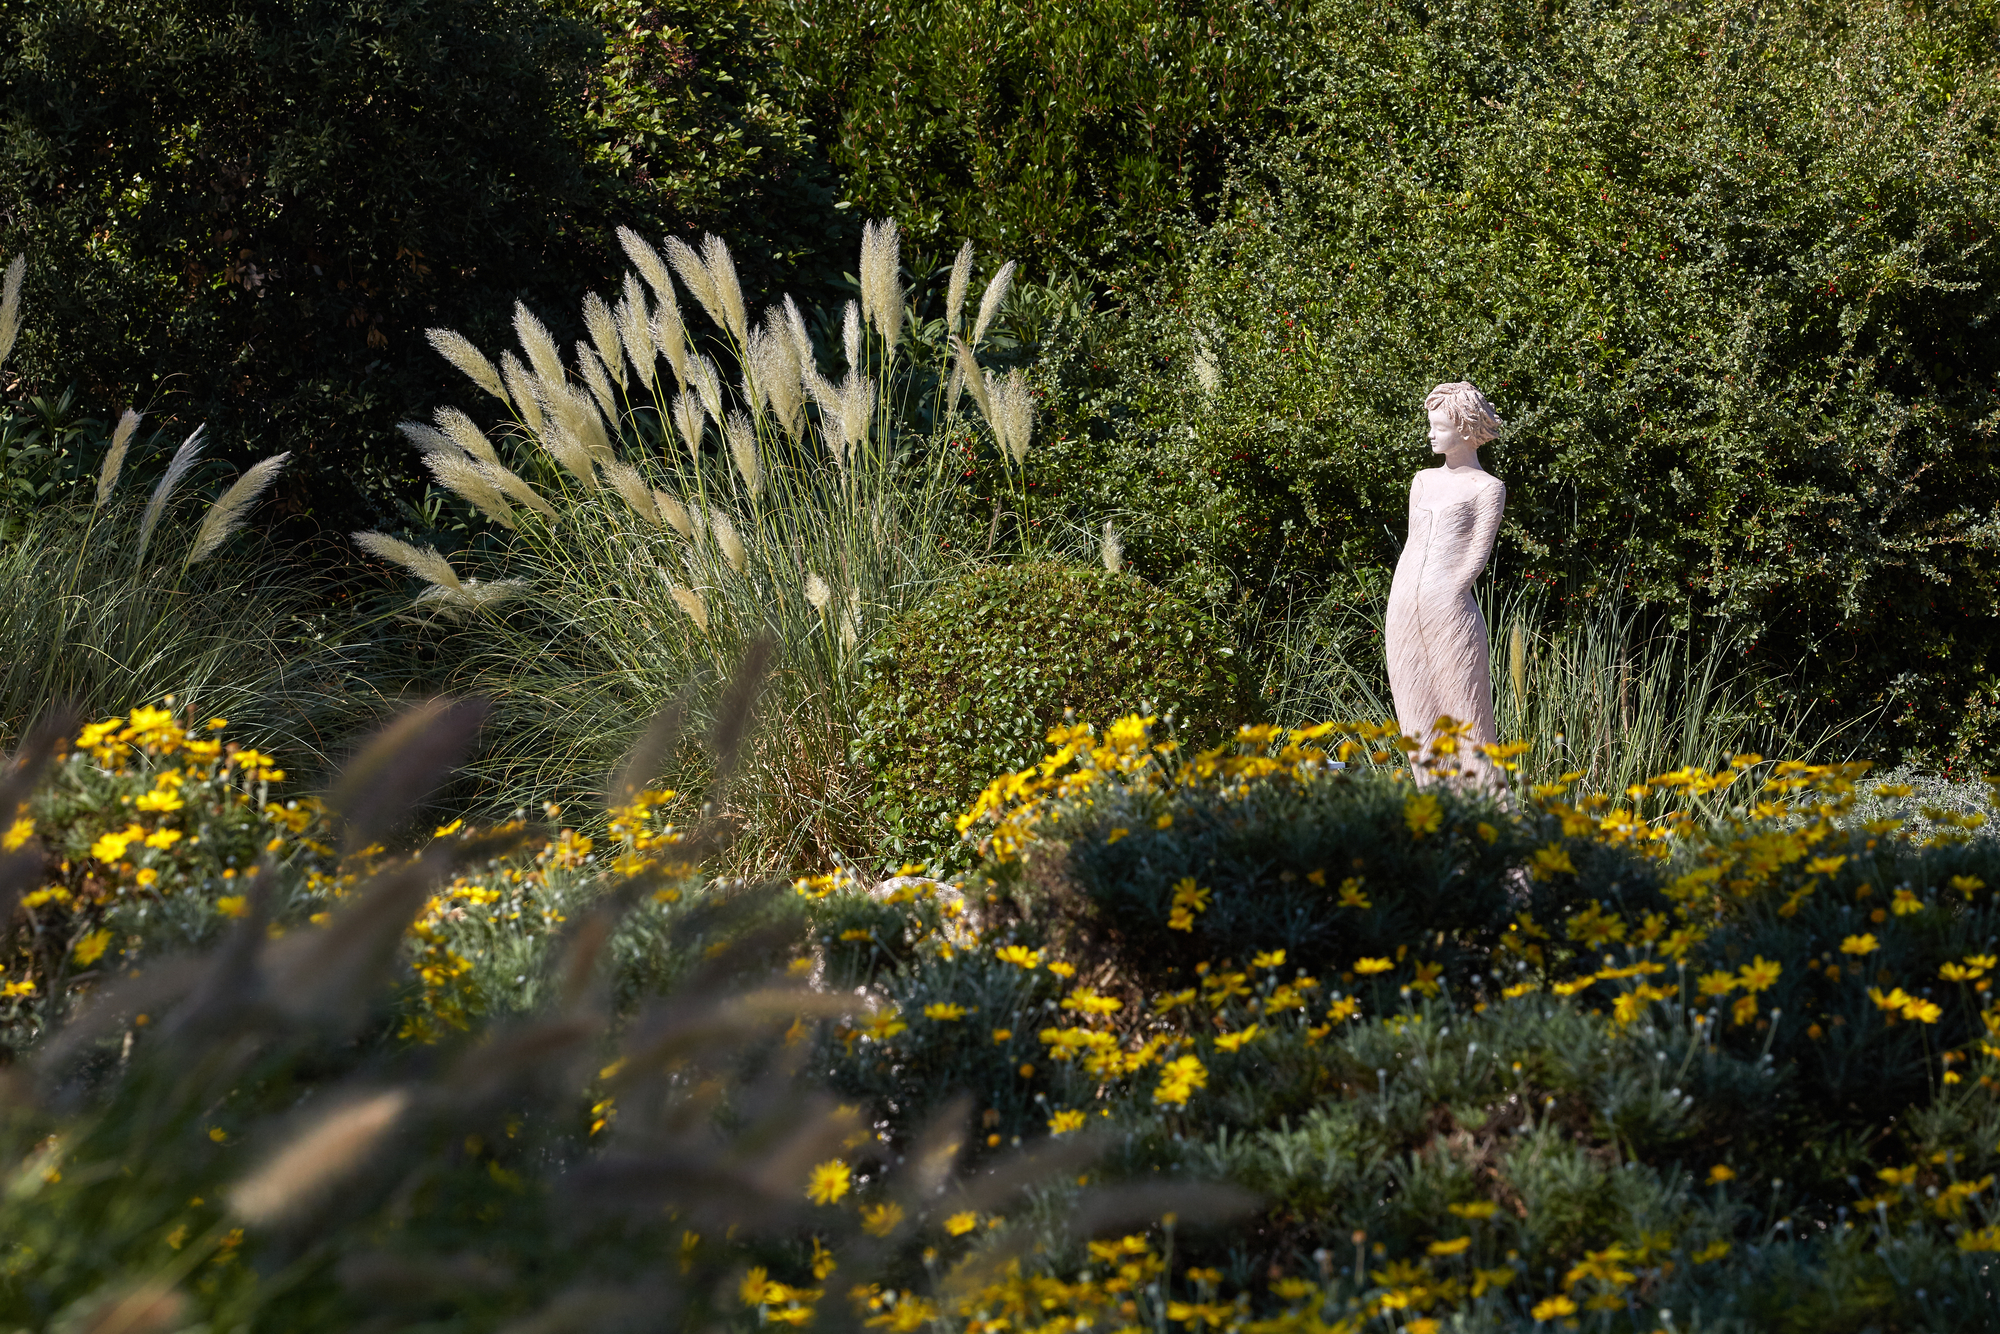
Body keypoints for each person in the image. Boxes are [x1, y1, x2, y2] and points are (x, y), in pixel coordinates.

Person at [1384, 381, 1507, 791]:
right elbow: (1413, 544)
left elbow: (1476, 555)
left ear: (1466, 428)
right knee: (1415, 711)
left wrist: (1447, 594)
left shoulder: (1487, 488)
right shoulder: (1421, 480)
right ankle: (1435, 809)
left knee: (1466, 714)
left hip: (1450, 609)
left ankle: (1492, 817)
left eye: (1439, 427)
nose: (1431, 434)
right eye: (1430, 425)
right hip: (1402, 605)